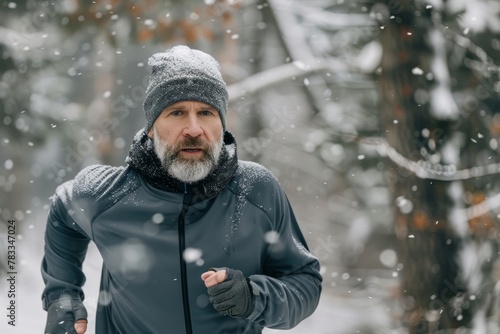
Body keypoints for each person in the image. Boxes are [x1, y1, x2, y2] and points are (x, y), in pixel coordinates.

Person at [41, 45, 322, 334]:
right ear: (151, 127)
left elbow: (305, 282)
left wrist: (255, 297)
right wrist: (62, 296)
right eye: (176, 112)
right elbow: (63, 210)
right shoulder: (107, 193)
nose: (193, 129)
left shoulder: (256, 189)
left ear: (221, 124)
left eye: (206, 112)